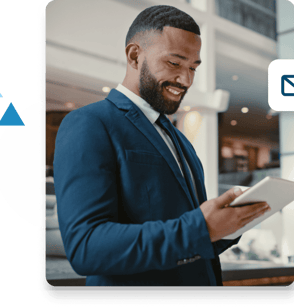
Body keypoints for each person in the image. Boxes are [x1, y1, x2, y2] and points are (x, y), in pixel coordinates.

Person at [53, 5, 270, 287]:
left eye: (193, 67)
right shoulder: (89, 123)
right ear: (134, 56)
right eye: (174, 63)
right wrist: (201, 228)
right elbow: (86, 248)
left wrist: (230, 225)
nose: (186, 79)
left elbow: (193, 241)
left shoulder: (179, 139)